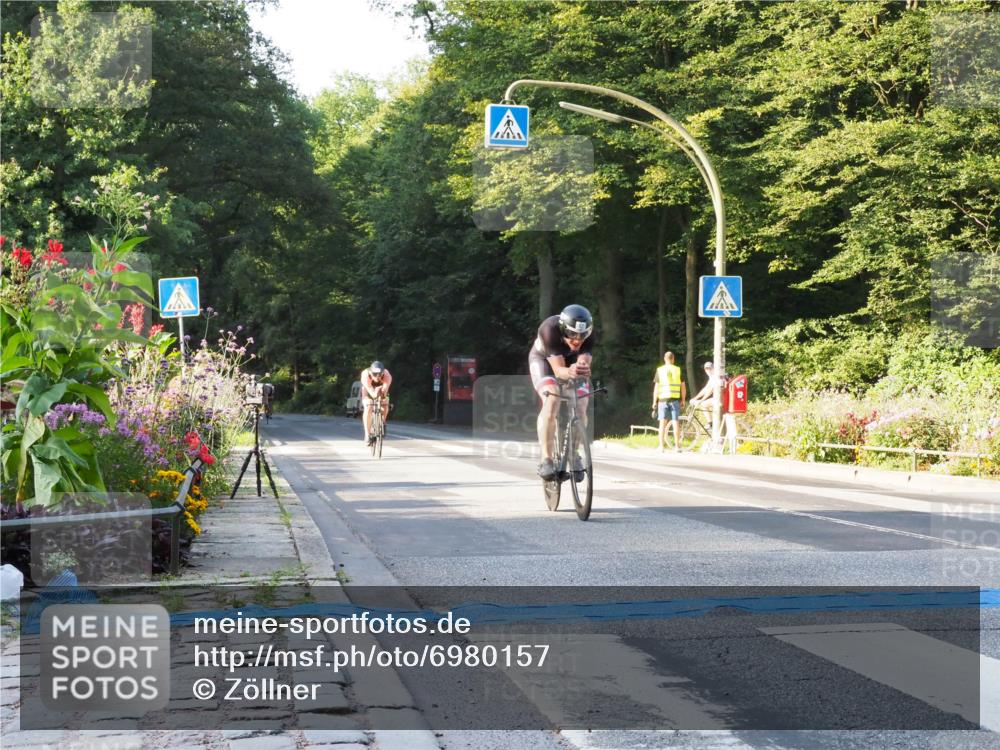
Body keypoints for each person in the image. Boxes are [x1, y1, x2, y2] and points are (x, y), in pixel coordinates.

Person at [528, 304, 594, 480]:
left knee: (581, 403)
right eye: (572, 334)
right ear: (564, 329)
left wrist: (582, 368)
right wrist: (570, 372)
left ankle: (574, 453)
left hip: (570, 363)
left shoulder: (589, 334)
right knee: (552, 398)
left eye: (582, 336)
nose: (577, 340)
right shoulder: (549, 329)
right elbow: (558, 371)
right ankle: (546, 459)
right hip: (544, 361)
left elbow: (583, 362)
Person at [652, 351, 686, 452]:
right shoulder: (678, 370)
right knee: (675, 422)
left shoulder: (660, 370)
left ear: (664, 359)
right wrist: (683, 400)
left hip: (662, 400)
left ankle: (661, 447)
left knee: (662, 423)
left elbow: (656, 388)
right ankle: (677, 447)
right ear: (673, 359)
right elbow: (683, 387)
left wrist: (654, 402)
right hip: (675, 400)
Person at [361, 361, 392, 445]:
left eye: (379, 374)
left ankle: (382, 422)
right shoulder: (365, 374)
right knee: (369, 405)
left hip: (381, 389)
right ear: (371, 372)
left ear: (383, 372)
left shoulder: (387, 375)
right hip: (368, 390)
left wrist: (382, 393)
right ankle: (367, 434)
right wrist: (375, 392)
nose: (377, 377)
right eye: (375, 374)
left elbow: (385, 391)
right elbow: (372, 393)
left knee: (385, 403)